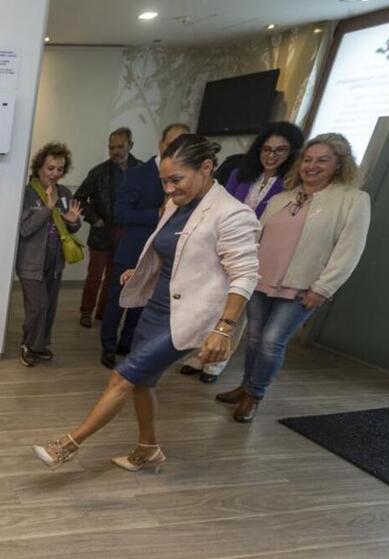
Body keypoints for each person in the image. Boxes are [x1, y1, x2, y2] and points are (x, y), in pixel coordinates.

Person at [32, 135, 260, 472]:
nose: (168, 189)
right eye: (164, 181)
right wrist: (141, 273)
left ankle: (68, 444)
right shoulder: (175, 204)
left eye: (176, 179)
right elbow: (171, 251)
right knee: (142, 382)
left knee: (122, 377)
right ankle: (148, 448)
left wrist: (224, 328)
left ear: (207, 168)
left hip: (187, 317)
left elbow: (245, 275)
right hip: (156, 308)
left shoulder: (232, 214)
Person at [216, 133, 371, 422]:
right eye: (308, 160)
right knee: (254, 338)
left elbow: (349, 250)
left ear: (339, 164)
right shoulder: (282, 197)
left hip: (302, 287)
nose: (312, 166)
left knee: (272, 341)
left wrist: (324, 288)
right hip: (261, 280)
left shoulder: (353, 200)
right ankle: (245, 386)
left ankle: (255, 395)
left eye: (322, 160)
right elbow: (257, 236)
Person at [181, 122, 305, 383]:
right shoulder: (239, 175)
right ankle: (198, 354)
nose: (271, 156)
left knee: (234, 308)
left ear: (292, 153)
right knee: (210, 303)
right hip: (222, 246)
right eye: (266, 149)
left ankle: (216, 363)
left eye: (280, 150)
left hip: (257, 253)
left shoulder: (292, 186)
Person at [99, 123, 190, 369]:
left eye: (183, 143)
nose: (176, 148)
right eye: (172, 143)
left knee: (142, 303)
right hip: (132, 249)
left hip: (164, 254)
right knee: (117, 301)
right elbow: (121, 214)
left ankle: (127, 344)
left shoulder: (189, 179)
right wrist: (157, 213)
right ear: (162, 144)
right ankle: (108, 346)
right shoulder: (137, 173)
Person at [16, 143, 83, 367]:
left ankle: (40, 345)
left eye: (60, 169)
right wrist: (47, 208)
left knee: (50, 307)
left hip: (55, 262)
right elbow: (24, 228)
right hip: (31, 262)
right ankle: (28, 345)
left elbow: (72, 226)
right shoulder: (26, 193)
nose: (55, 173)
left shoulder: (64, 193)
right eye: (50, 168)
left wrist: (74, 222)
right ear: (39, 167)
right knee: (39, 306)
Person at [73, 128, 141, 329]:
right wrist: (95, 219)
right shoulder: (99, 172)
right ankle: (86, 312)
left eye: (120, 147)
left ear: (130, 145)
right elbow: (79, 198)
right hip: (102, 232)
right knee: (94, 276)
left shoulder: (142, 171)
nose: (116, 151)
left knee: (115, 277)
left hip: (126, 232)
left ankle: (103, 312)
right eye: (112, 147)